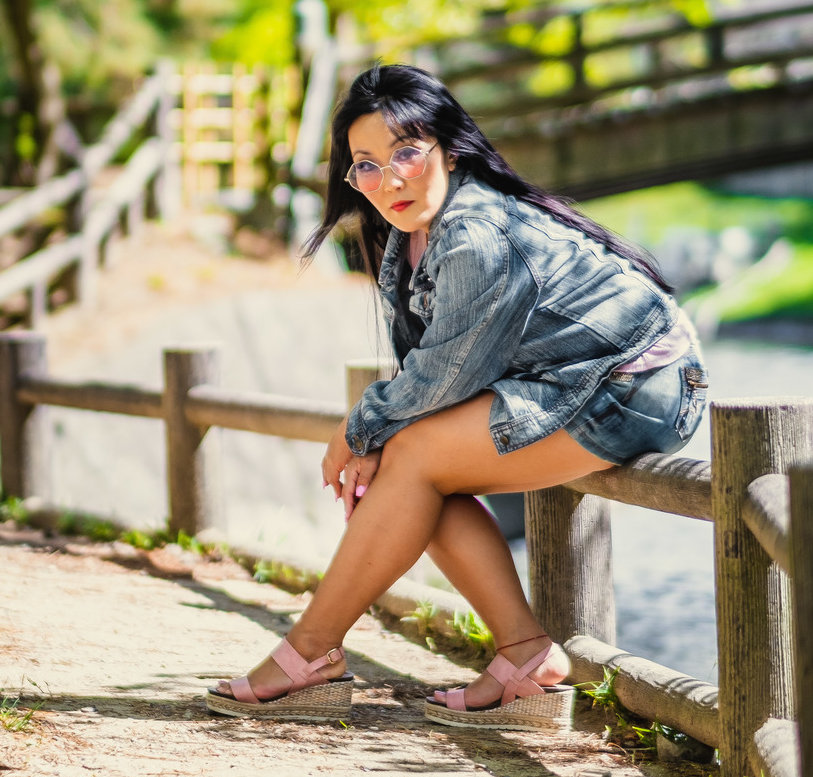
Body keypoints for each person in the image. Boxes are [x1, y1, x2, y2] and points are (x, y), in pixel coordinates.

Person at [208, 63, 707, 727]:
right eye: (366, 166)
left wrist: (360, 429)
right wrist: (381, 435)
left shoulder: (474, 232)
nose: (390, 180)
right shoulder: (412, 232)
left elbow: (446, 372)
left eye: (406, 152)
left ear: (446, 145)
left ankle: (309, 653)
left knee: (409, 458)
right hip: (575, 379)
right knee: (410, 468)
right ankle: (524, 658)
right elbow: (437, 375)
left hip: (638, 383)